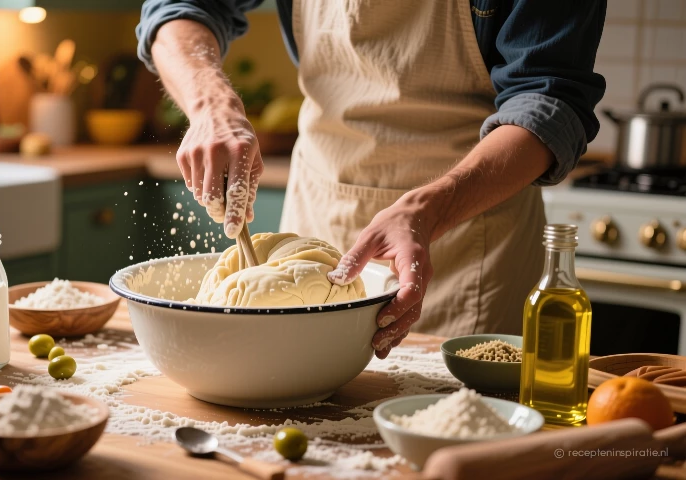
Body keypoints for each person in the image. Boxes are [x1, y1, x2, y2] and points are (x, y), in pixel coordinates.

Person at [136, 1, 606, 358]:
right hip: (320, 205)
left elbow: (551, 102)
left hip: (467, 238)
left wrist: (431, 209)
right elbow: (178, 9)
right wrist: (211, 105)